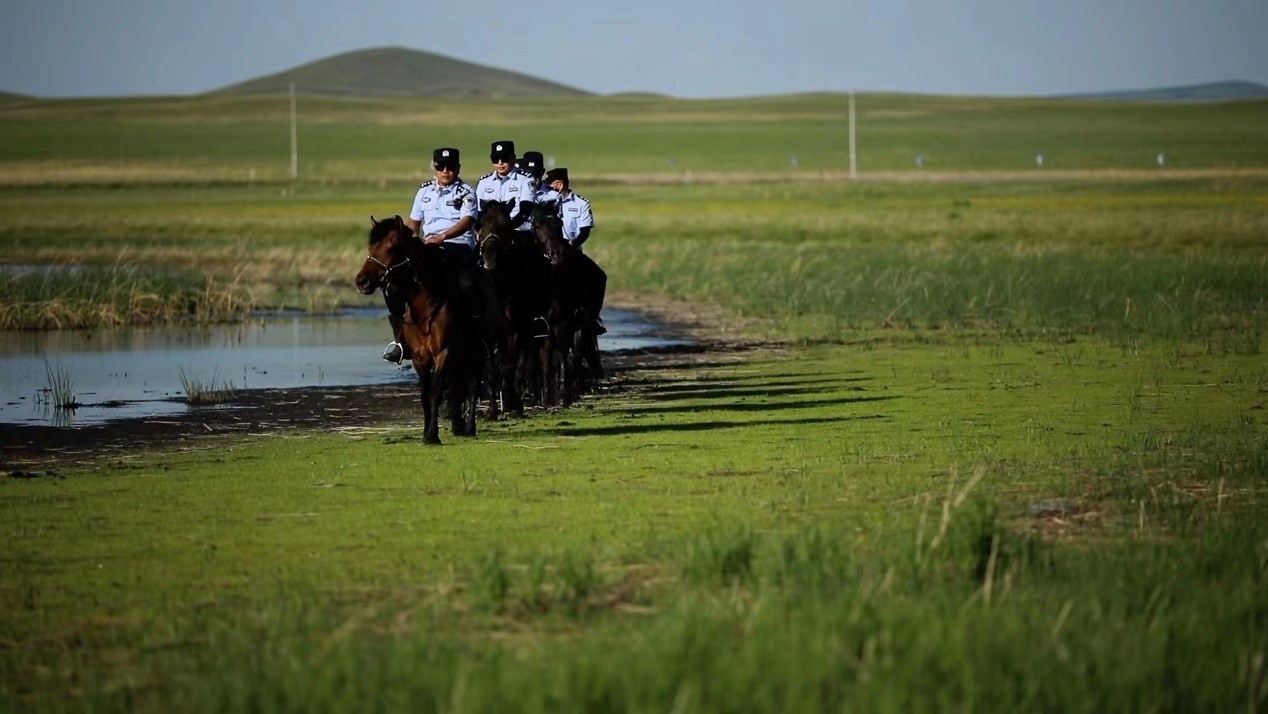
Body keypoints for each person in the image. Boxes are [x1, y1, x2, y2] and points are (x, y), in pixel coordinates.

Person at [380, 146, 484, 364]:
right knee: (394, 286)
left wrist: (443, 236)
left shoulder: (467, 192)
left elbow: (467, 222)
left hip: (458, 248)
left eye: (450, 167)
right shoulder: (424, 192)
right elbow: (414, 225)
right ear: (435, 168)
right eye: (441, 166)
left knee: (467, 284)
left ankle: (478, 335)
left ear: (458, 168)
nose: (445, 171)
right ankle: (401, 340)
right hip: (429, 250)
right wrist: (401, 242)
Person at [544, 167, 607, 333]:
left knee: (599, 277)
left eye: (550, 185)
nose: (546, 188)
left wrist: (571, 246)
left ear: (559, 185)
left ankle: (591, 317)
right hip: (545, 254)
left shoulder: (581, 204)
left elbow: (584, 230)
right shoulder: (543, 202)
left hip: (571, 253)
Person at [475, 140, 536, 230]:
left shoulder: (526, 179)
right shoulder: (484, 182)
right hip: (491, 232)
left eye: (504, 159)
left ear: (513, 158)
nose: (500, 163)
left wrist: (507, 228)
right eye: (495, 159)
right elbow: (478, 212)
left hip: (517, 229)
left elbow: (525, 210)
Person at [519, 150, 559, 231]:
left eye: (536, 175)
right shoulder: (515, 193)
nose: (532, 179)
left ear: (543, 172)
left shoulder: (554, 196)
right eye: (528, 175)